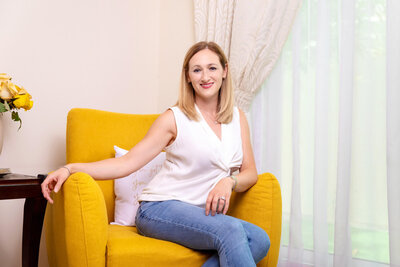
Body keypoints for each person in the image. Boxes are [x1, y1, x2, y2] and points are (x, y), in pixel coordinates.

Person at [41, 41, 270, 266]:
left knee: (259, 240)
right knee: (230, 230)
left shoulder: (238, 118)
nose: (205, 76)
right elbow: (126, 164)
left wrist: (229, 181)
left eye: (212, 68)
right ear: (188, 76)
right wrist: (70, 168)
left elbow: (250, 172)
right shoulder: (174, 118)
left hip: (202, 216)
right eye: (197, 70)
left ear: (224, 71)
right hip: (159, 209)